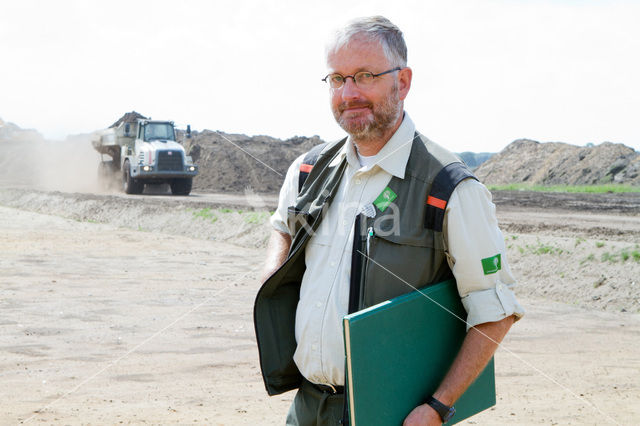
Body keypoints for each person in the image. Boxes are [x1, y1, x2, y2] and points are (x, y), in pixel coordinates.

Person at [254, 16, 524, 426]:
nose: (349, 93)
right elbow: (283, 224)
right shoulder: (308, 171)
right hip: (308, 407)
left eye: (365, 76)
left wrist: (437, 407)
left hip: (390, 415)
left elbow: (495, 310)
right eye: (337, 78)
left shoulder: (450, 188)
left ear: (403, 82)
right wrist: (275, 267)